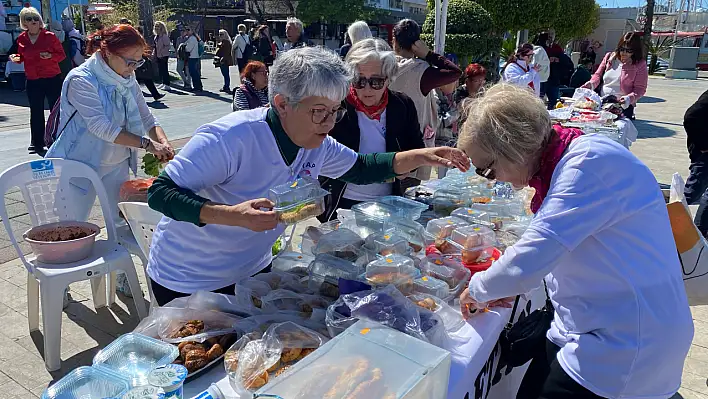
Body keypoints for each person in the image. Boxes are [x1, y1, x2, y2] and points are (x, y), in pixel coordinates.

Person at [145, 46, 469, 305]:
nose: (329, 123)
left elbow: (361, 167)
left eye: (335, 111)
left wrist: (422, 154)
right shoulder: (232, 138)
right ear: (282, 104)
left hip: (253, 269)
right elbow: (160, 192)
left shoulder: (318, 144)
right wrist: (231, 216)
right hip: (190, 280)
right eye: (319, 111)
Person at [456, 83, 693, 399]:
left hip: (625, 342)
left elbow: (532, 257)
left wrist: (479, 290)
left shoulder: (588, 165)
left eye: (488, 169)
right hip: (593, 323)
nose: (493, 179)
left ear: (511, 148)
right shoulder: (571, 158)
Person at [46, 24, 174, 226]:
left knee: (122, 223)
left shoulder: (127, 77)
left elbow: (147, 117)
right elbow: (101, 127)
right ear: (107, 52)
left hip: (117, 162)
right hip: (80, 162)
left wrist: (163, 142)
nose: (133, 69)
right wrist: (148, 144)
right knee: (71, 225)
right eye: (130, 62)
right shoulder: (81, 79)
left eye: (138, 63)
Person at [319, 38, 425, 221]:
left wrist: (406, 166)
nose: (367, 88)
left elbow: (416, 147)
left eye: (376, 82)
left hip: (387, 202)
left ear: (389, 78)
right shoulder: (336, 105)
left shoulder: (402, 105)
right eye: (359, 81)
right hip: (341, 202)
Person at [388, 19, 461, 181]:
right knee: (408, 197)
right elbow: (454, 72)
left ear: (394, 41)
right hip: (415, 146)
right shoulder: (421, 72)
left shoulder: (383, 66)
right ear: (417, 43)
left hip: (385, 141)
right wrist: (428, 54)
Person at [9, 7, 65, 156]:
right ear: (24, 23)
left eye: (36, 19)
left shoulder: (50, 36)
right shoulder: (21, 38)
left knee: (55, 110)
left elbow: (61, 55)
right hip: (33, 79)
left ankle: (57, 139)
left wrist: (50, 56)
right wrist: (15, 58)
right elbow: (18, 56)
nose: (33, 21)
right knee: (36, 111)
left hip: (52, 77)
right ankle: (37, 142)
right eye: (29, 19)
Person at [583, 32, 648, 120]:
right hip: (601, 103)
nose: (624, 53)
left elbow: (640, 89)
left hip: (622, 108)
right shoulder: (609, 57)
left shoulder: (640, 64)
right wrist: (591, 84)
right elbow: (598, 75)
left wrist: (628, 99)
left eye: (629, 51)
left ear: (635, 51)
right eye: (622, 49)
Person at [682, 90, 708, 238]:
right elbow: (691, 117)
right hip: (704, 156)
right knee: (690, 194)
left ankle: (700, 232)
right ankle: (655, 220)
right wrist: (703, 144)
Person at [184, 26, 203, 92]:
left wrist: (184, 47)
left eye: (188, 30)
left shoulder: (192, 38)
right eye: (186, 30)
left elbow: (188, 48)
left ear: (192, 31)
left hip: (192, 57)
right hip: (193, 57)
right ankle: (197, 86)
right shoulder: (191, 38)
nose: (187, 31)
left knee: (193, 72)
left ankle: (197, 86)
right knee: (193, 72)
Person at [214, 29, 234, 94]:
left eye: (221, 34)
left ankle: (227, 87)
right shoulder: (223, 41)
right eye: (219, 34)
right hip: (221, 59)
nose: (220, 36)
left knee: (226, 74)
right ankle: (225, 86)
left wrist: (223, 58)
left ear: (225, 35)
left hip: (224, 60)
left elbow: (227, 52)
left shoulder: (226, 42)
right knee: (224, 74)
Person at [153, 21, 171, 87]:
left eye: (158, 26)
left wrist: (162, 52)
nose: (156, 28)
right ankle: (163, 83)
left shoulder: (164, 36)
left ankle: (167, 84)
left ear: (162, 28)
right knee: (161, 70)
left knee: (165, 70)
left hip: (164, 55)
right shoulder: (156, 37)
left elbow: (167, 46)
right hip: (158, 55)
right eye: (156, 26)